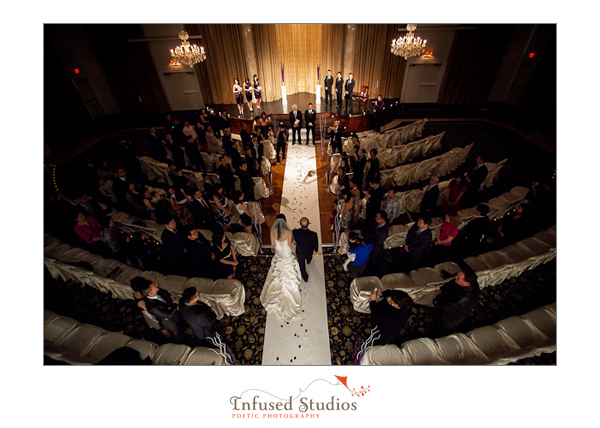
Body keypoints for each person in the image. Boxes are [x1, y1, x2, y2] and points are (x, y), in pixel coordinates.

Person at [261, 215, 303, 321]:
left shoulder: (272, 231)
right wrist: (294, 241)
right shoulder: (289, 232)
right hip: (286, 255)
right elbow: (289, 244)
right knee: (290, 271)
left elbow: (272, 243)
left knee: (276, 273)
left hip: (279, 255)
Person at [133, 277, 183, 342]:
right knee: (175, 332)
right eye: (154, 286)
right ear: (150, 293)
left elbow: (162, 291)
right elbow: (166, 315)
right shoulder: (150, 306)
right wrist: (174, 305)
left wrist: (169, 297)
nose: (156, 285)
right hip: (165, 319)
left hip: (169, 311)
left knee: (178, 321)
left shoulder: (154, 290)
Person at [433, 270, 480, 337]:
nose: (455, 277)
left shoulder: (463, 299)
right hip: (455, 307)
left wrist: (438, 296)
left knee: (441, 328)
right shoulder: (472, 283)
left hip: (450, 317)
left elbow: (446, 307)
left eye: (458, 278)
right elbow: (453, 283)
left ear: (466, 283)